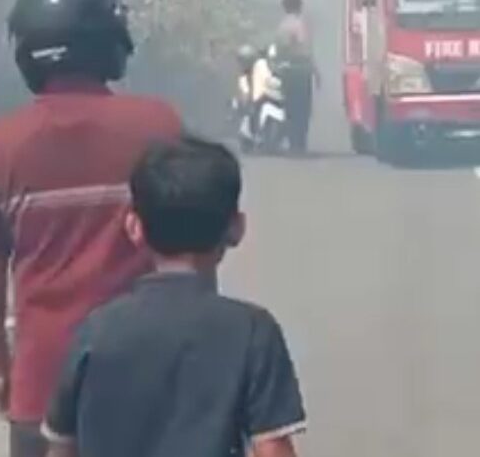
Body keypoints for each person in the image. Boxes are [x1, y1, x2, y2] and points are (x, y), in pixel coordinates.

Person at [0, 0, 182, 457]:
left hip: (42, 382)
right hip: (149, 375)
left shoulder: (0, 145)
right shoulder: (159, 125)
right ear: (106, 44)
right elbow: (194, 256)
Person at [41, 137, 306, 457]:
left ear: (134, 228)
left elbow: (62, 449)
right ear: (236, 228)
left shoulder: (96, 329)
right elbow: (273, 450)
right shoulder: (252, 331)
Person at [275, 0, 320, 155]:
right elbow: (305, 50)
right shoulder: (299, 24)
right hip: (301, 70)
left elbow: (280, 49)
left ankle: (293, 143)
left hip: (286, 71)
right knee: (302, 109)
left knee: (290, 107)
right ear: (299, 6)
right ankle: (299, 144)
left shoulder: (281, 25)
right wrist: (316, 72)